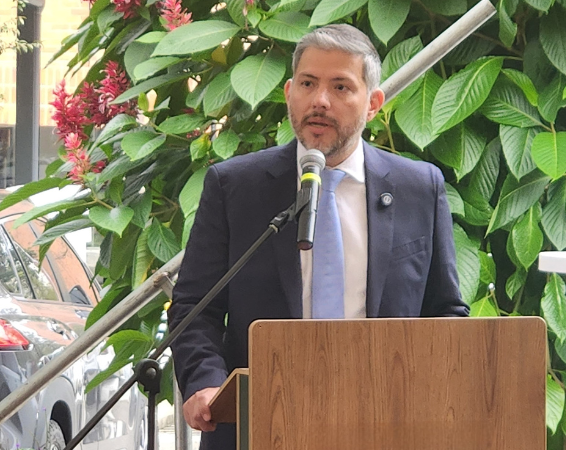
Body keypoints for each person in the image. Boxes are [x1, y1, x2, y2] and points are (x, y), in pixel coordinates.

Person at [168, 23, 469, 450]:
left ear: (373, 103)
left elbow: (446, 311)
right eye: (308, 83)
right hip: (261, 421)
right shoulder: (235, 186)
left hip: (386, 423)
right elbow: (195, 307)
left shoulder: (419, 187)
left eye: (341, 87)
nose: (320, 101)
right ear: (289, 91)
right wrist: (205, 381)